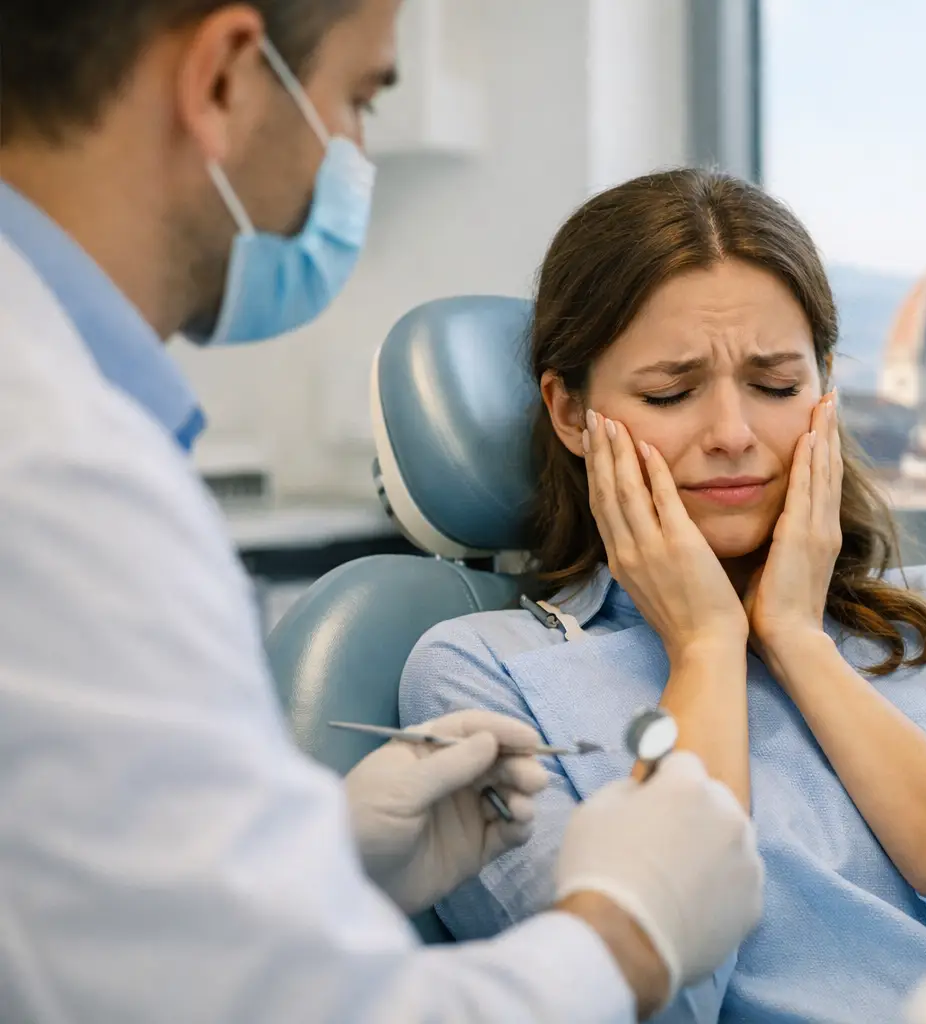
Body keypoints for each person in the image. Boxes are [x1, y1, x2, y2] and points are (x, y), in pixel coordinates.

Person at [0, 3, 762, 1022]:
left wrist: (324, 856)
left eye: (778, 379)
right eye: (358, 99)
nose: (733, 433)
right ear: (225, 78)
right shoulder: (61, 482)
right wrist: (627, 932)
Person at [399, 167, 926, 1023]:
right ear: (570, 411)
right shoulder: (481, 678)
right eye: (670, 393)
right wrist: (706, 649)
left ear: (825, 390)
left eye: (778, 386)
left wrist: (799, 641)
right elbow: (647, 1008)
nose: (733, 435)